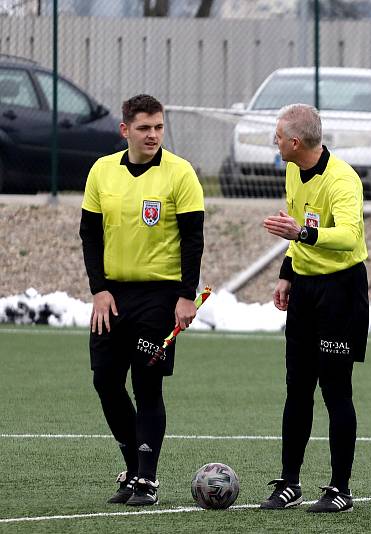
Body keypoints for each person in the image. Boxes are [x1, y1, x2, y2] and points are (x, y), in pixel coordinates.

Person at [79, 94, 205, 506]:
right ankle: (133, 467)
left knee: (147, 385)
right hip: (112, 294)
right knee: (104, 381)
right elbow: (90, 235)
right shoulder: (101, 171)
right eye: (144, 128)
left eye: (158, 127)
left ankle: (146, 480)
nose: (153, 135)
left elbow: (193, 239)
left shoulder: (180, 173)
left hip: (160, 294)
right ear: (125, 130)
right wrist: (98, 289)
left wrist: (187, 296)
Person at [261, 103, 368, 514]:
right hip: (305, 291)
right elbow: (297, 224)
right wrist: (287, 272)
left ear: (294, 141)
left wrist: (302, 233)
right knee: (297, 387)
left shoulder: (343, 179)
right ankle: (290, 482)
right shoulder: (292, 168)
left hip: (341, 292)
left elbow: (348, 236)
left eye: (277, 134)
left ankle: (340, 489)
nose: (274, 140)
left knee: (336, 390)